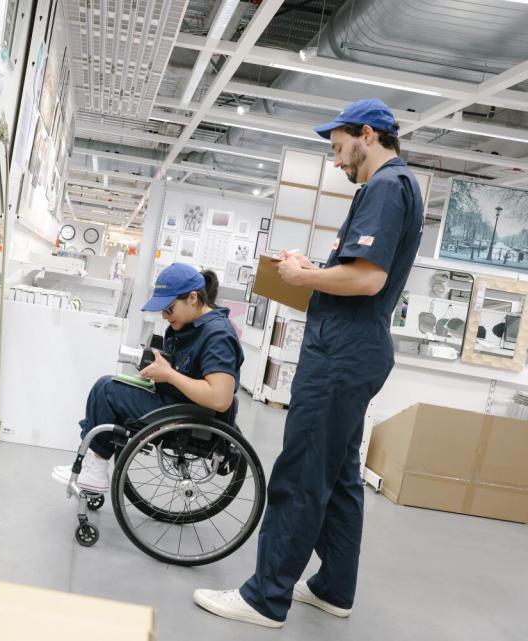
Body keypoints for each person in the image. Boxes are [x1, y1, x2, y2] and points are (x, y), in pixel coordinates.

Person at [193, 99, 424, 628]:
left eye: (341, 149)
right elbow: (358, 272)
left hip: (342, 354)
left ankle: (264, 597)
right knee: (340, 475)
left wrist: (302, 277)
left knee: (300, 475)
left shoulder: (388, 187)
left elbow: (367, 279)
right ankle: (334, 587)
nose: (338, 163)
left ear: (369, 135)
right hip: (352, 346)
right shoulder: (392, 188)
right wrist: (313, 269)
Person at [51, 263, 244, 491]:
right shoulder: (191, 325)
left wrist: (170, 375)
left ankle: (96, 470)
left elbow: (219, 398)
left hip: (187, 411)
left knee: (107, 389)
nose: (164, 315)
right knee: (107, 386)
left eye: (169, 308)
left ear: (193, 298)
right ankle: (93, 465)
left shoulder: (217, 334)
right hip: (177, 399)